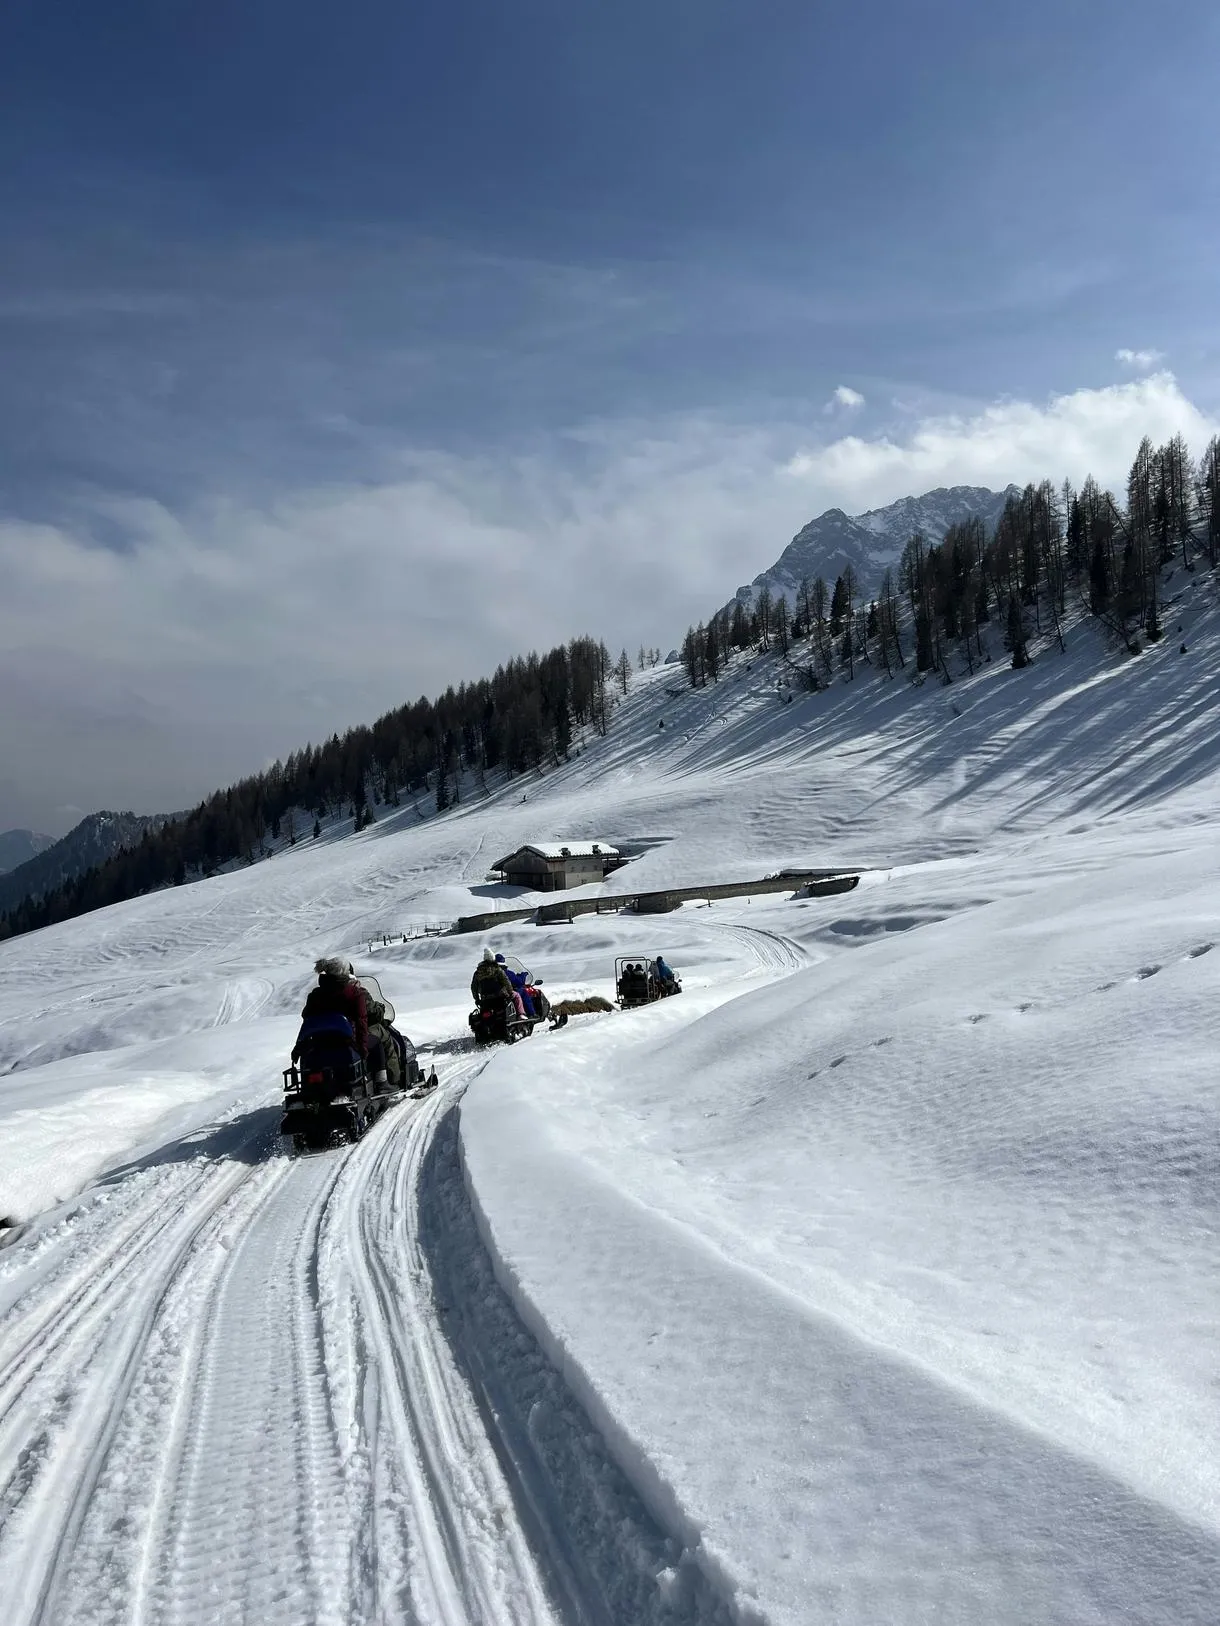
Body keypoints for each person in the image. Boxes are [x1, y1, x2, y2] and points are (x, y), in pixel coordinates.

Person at [294, 957, 388, 1085]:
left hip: (320, 1042)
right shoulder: (354, 993)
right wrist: (362, 1048)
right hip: (347, 1041)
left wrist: (298, 1047)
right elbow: (361, 1021)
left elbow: (307, 1021)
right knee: (377, 1044)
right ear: (344, 973)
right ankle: (382, 1083)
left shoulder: (315, 994)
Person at [471, 947, 521, 1015]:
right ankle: (521, 1014)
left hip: (485, 1000)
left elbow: (474, 987)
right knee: (516, 996)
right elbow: (506, 982)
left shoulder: (477, 972)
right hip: (500, 998)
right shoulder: (497, 970)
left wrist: (477, 999)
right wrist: (510, 992)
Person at [495, 952, 534, 1018]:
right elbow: (519, 982)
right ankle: (530, 1013)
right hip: (505, 993)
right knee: (523, 992)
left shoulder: (490, 973)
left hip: (493, 995)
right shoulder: (505, 972)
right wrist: (523, 975)